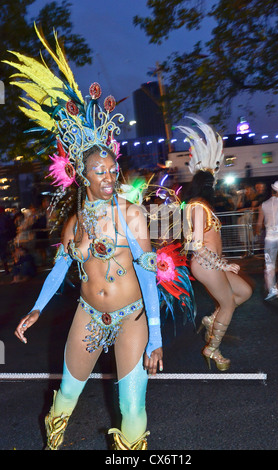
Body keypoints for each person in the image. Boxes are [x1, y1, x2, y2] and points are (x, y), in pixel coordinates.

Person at [8, 25, 163, 451]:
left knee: (132, 412)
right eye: (101, 171)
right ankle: (53, 437)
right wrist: (37, 309)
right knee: (66, 400)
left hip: (131, 317)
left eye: (113, 169)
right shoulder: (73, 225)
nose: (110, 176)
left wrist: (157, 335)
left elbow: (149, 277)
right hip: (89, 317)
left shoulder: (132, 216)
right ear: (83, 176)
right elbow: (59, 270)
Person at [176, 116, 252, 371]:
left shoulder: (202, 205)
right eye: (214, 180)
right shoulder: (197, 206)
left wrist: (222, 265)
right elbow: (196, 245)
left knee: (244, 292)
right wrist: (223, 264)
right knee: (229, 303)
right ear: (207, 185)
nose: (217, 183)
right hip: (206, 264)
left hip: (213, 264)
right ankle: (212, 348)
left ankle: (212, 319)